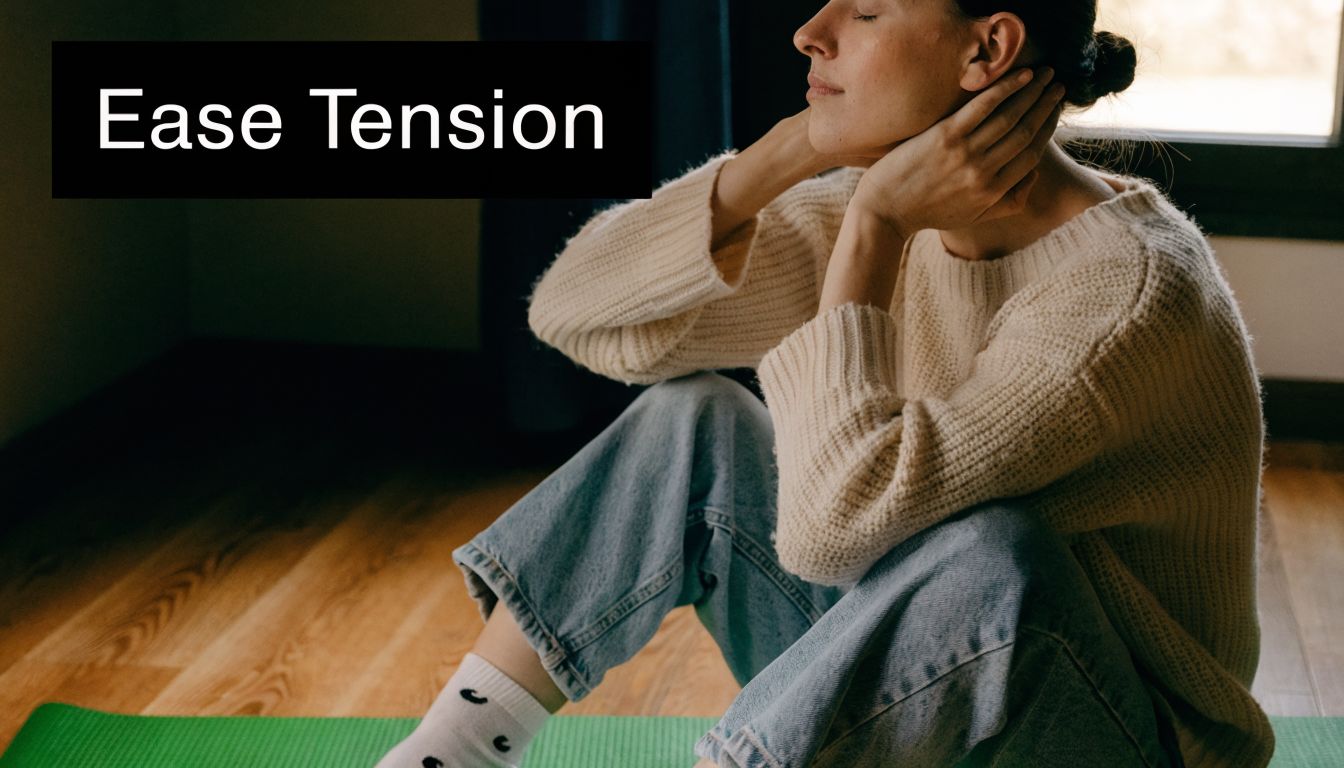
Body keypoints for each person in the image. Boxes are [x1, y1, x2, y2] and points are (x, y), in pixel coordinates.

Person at [374, 0, 1274, 766]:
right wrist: (788, 154)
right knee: (697, 420)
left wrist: (876, 229)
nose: (810, 31)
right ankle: (445, 753)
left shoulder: (1125, 289)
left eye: (868, 9)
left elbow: (831, 533)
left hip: (1109, 736)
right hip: (921, 688)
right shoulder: (869, 208)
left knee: (995, 557)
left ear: (987, 50)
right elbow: (573, 310)